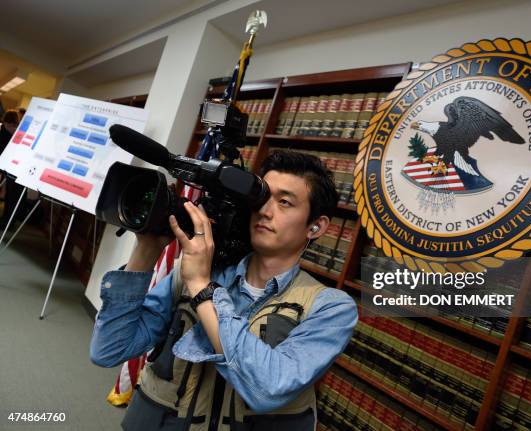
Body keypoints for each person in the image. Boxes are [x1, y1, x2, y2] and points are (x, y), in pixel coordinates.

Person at [90, 150, 358, 431]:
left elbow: (269, 387)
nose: (266, 210)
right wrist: (147, 248)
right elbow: (109, 349)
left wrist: (202, 288)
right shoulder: (191, 273)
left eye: (285, 202)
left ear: (316, 226)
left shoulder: (330, 307)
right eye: (263, 198)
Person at [0, 110, 22, 229]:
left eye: (14, 125)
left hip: (14, 169)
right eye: (11, 125)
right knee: (11, 195)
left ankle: (9, 221)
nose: (13, 128)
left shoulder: (10, 132)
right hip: (10, 167)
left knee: (12, 195)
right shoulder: (6, 132)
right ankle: (8, 220)